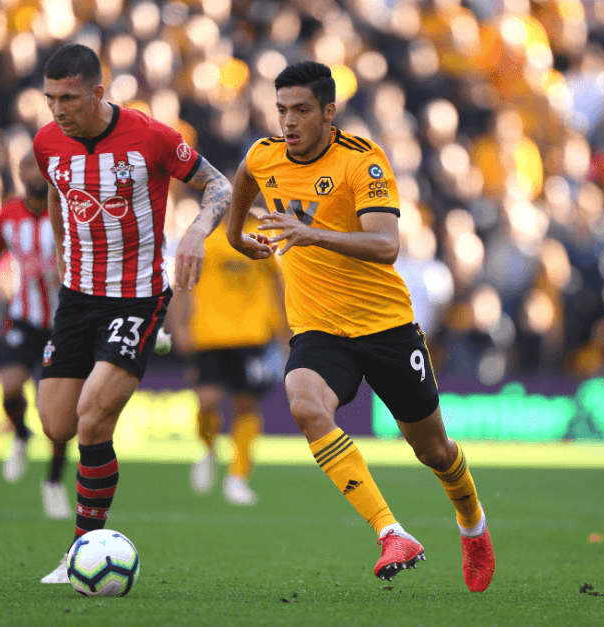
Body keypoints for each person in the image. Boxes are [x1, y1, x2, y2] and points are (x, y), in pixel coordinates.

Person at [226, 61, 495, 592]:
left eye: (301, 110)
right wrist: (238, 237)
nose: (289, 122)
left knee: (433, 450)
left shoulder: (362, 161)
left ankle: (473, 525)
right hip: (319, 329)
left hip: (385, 327)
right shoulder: (263, 156)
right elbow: (243, 184)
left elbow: (386, 245)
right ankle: (390, 532)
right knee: (303, 402)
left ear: (329, 112)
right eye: (282, 110)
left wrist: (309, 234)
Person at [32, 44, 231, 583]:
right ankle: (88, 525)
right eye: (50, 98)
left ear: (98, 92)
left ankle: (78, 550)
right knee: (56, 423)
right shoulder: (47, 143)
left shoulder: (151, 137)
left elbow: (220, 185)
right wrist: (59, 251)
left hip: (137, 298)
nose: (58, 110)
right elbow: (57, 192)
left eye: (68, 97)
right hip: (77, 298)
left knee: (93, 416)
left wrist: (195, 230)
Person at [166, 209, 288, 506]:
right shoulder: (202, 235)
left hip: (253, 334)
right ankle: (207, 448)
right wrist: (178, 325)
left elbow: (280, 285)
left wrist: (286, 333)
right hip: (208, 334)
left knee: (246, 405)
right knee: (207, 401)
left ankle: (237, 478)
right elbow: (182, 282)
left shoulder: (264, 234)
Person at [0, 152, 69, 519]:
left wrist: (67, 275)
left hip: (64, 322)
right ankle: (20, 434)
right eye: (25, 168)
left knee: (57, 412)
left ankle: (52, 483)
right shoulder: (8, 214)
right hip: (23, 317)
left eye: (37, 167)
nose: (31, 175)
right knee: (9, 386)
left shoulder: (67, 209)